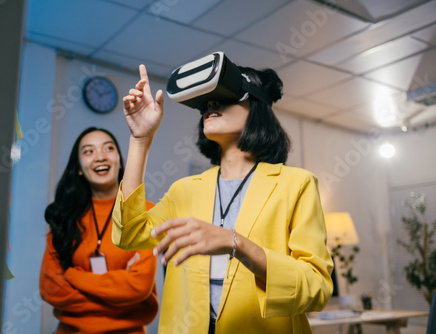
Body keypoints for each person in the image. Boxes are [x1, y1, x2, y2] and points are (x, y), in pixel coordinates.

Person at [112, 63, 333, 334]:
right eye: (206, 100)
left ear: (257, 106)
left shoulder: (296, 184)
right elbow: (128, 234)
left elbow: (317, 288)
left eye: (226, 94)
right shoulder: (184, 190)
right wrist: (140, 140)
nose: (211, 103)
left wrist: (235, 243)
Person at [39, 127, 159, 334]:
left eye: (108, 148)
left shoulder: (146, 213)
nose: (100, 157)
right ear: (78, 167)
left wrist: (73, 276)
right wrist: (119, 289)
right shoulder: (63, 216)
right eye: (88, 151)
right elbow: (51, 288)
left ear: (120, 161)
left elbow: (139, 286)